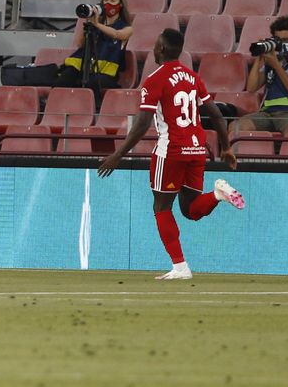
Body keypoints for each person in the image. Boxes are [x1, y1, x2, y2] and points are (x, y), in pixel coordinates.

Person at [98, 28, 244, 281]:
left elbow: (143, 124)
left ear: (162, 49)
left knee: (161, 207)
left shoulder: (155, 80)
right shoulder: (192, 78)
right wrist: (227, 148)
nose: (154, 49)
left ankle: (180, 267)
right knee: (191, 210)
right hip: (198, 148)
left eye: (156, 45)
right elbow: (217, 115)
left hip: (171, 150)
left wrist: (118, 154)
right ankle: (219, 194)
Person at [232, 16, 288, 137]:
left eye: (286, 40)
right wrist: (259, 58)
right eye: (278, 40)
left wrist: (277, 66)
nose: (281, 44)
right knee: (236, 127)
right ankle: (238, 156)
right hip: (267, 113)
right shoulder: (272, 59)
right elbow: (251, 88)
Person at [56, 0, 133, 92]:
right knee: (64, 79)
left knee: (90, 82)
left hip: (106, 73)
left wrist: (97, 24)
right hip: (84, 68)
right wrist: (89, 23)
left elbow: (116, 34)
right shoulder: (94, 25)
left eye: (112, 0)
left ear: (120, 4)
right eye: (105, 0)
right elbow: (80, 44)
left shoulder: (127, 28)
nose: (108, 4)